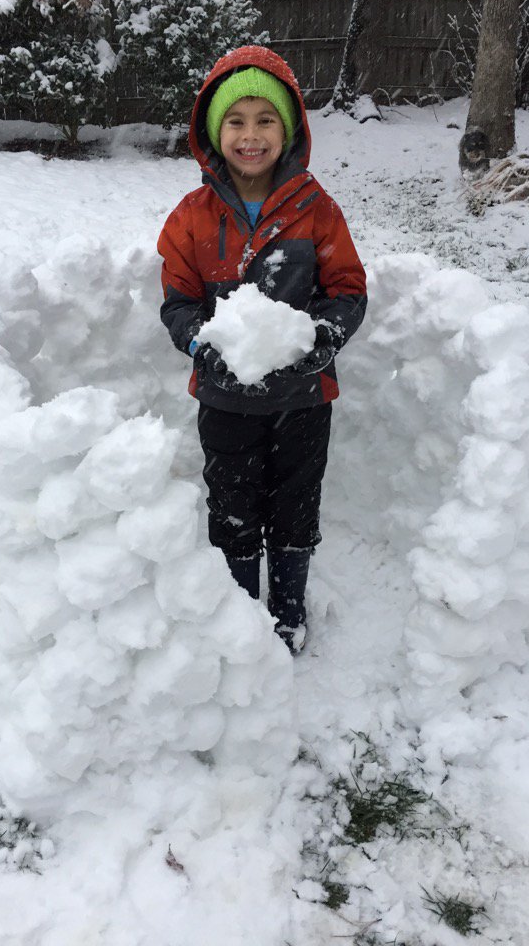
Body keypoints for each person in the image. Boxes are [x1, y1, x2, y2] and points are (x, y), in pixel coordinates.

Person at [158, 45, 367, 654]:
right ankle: (243, 609)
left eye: (265, 120)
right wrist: (201, 343)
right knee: (232, 506)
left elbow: (347, 288)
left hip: (303, 399)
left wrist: (323, 337)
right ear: (214, 132)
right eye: (236, 121)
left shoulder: (317, 211)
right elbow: (177, 301)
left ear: (289, 129)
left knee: (296, 505)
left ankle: (288, 606)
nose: (251, 136)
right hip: (225, 399)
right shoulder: (191, 219)